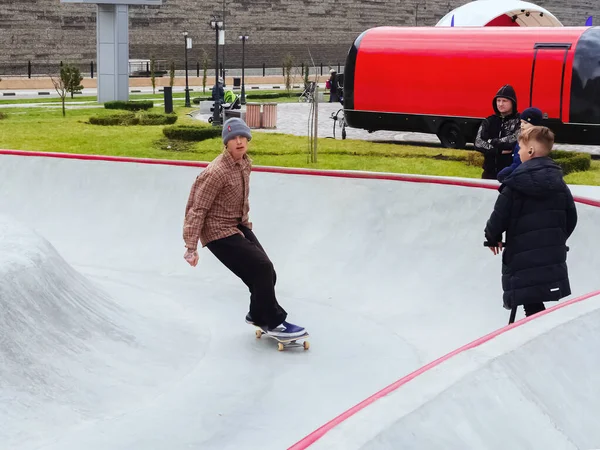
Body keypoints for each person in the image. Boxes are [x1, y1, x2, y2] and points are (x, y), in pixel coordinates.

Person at [182, 117, 306, 338]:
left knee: (268, 273)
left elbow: (242, 200)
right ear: (226, 143)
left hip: (236, 224)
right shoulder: (216, 171)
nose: (239, 142)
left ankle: (256, 314)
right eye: (233, 139)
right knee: (261, 268)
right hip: (216, 231)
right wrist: (191, 247)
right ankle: (273, 321)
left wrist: (246, 228)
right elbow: (197, 207)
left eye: (242, 137)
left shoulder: (245, 164)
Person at [484, 126, 578, 321]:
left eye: (519, 148)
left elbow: (499, 216)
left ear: (530, 151)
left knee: (529, 298)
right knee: (534, 299)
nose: (518, 152)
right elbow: (571, 216)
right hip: (551, 252)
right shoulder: (559, 183)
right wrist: (555, 239)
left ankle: (539, 338)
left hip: (522, 254)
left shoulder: (515, 183)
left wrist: (492, 238)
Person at [475, 84, 521, 179]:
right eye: (498, 100)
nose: (500, 104)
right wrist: (497, 151)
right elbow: (478, 143)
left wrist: (491, 141)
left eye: (504, 101)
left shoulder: (519, 121)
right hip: (489, 172)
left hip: (510, 173)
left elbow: (513, 141)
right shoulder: (489, 121)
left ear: (512, 102)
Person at [497, 107, 544, 183]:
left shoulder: (532, 141)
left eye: (525, 123)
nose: (522, 125)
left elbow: (520, 162)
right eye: (521, 122)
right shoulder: (524, 137)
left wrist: (506, 172)